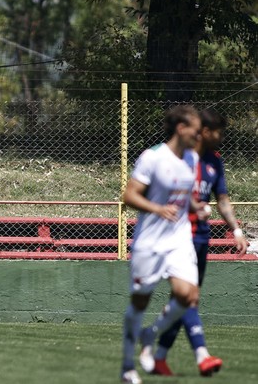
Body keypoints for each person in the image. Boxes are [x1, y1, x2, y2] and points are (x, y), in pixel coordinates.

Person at [146, 108, 248, 377]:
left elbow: (222, 199)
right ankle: (202, 356)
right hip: (178, 236)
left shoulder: (215, 161)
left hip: (201, 236)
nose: (221, 137)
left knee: (186, 299)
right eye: (218, 132)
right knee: (188, 298)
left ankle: (157, 353)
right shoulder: (181, 159)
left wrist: (236, 229)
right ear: (204, 132)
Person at [120, 105, 202, 384]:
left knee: (188, 295)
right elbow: (129, 196)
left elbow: (183, 194)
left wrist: (196, 206)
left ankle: (151, 333)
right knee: (140, 302)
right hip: (149, 243)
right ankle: (128, 366)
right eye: (196, 130)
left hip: (179, 240)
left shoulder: (192, 158)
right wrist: (157, 209)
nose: (199, 135)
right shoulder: (152, 157)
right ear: (181, 128)